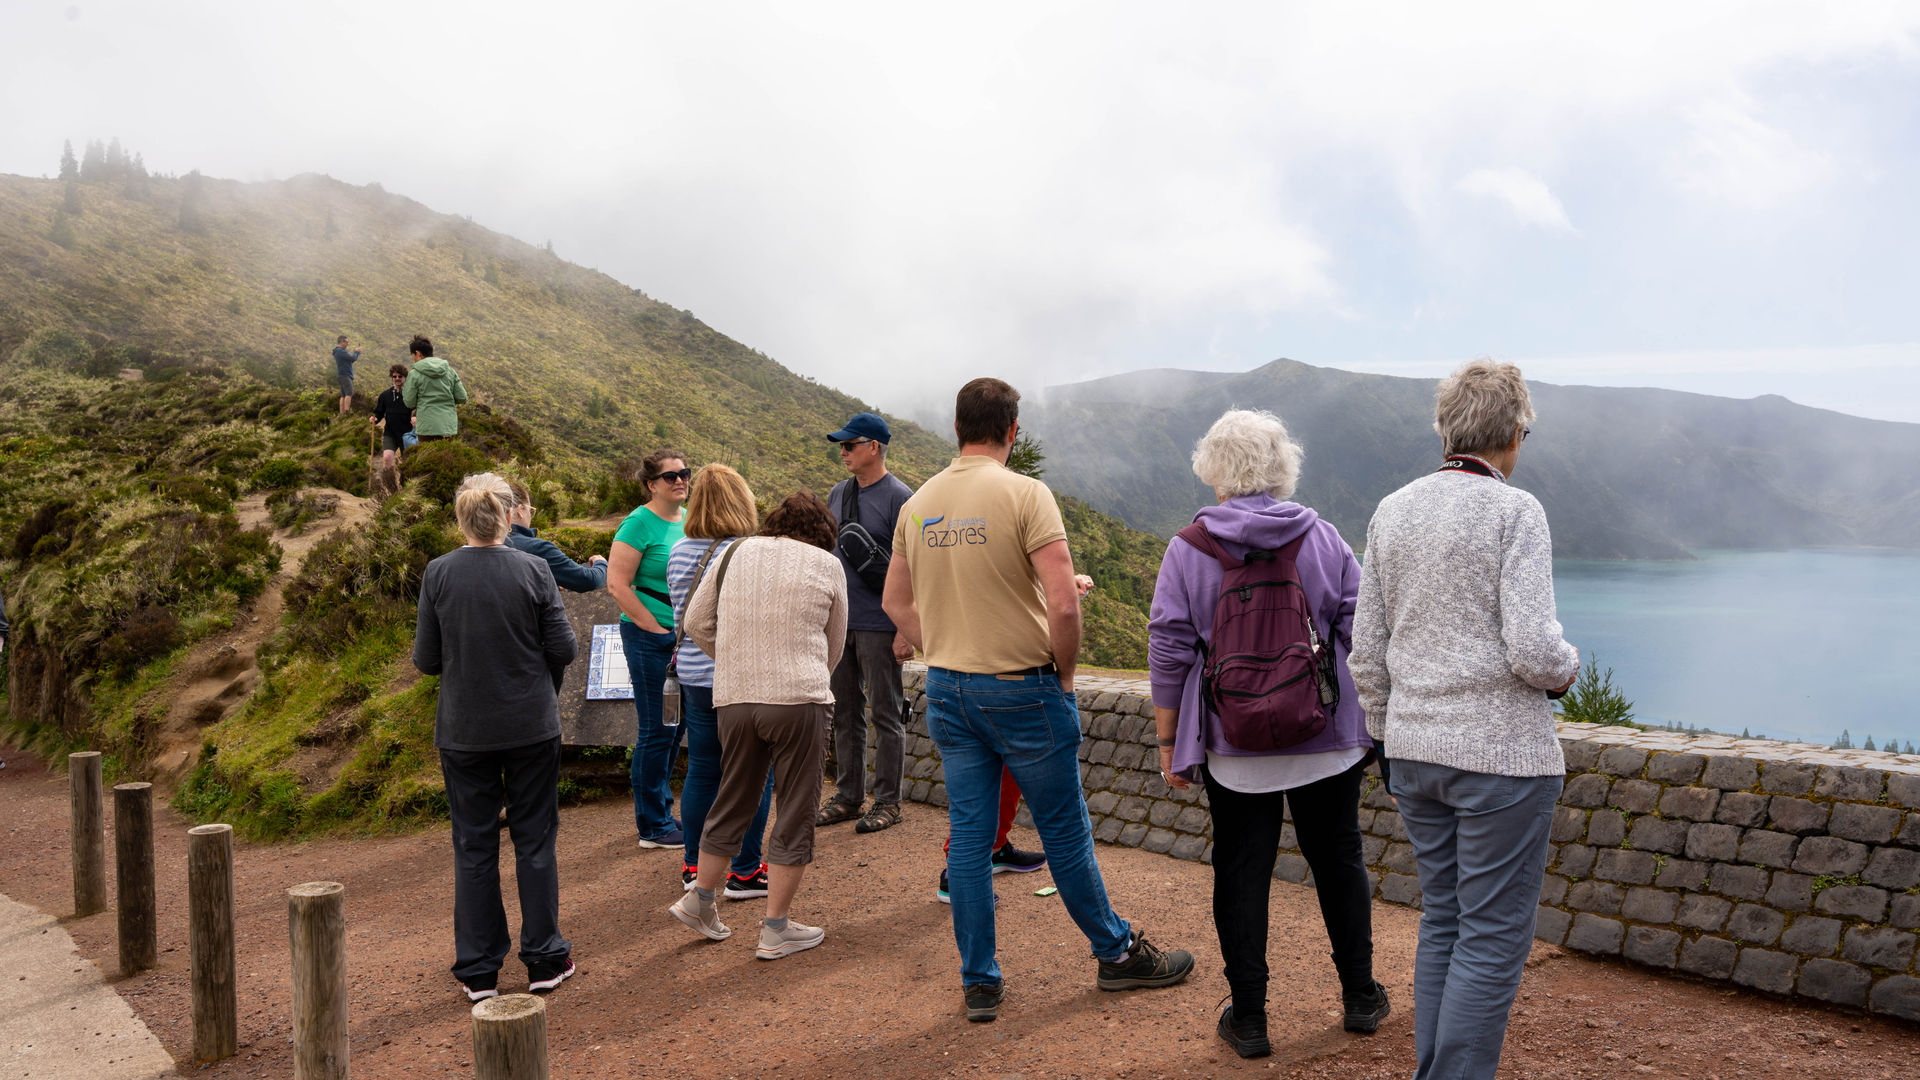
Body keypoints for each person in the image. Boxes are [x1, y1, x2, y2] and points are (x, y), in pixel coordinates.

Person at [883, 377, 1194, 1023]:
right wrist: (1067, 677)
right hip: (1024, 687)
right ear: (1012, 430)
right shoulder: (1026, 494)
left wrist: (938, 647)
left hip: (949, 689)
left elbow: (894, 602)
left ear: (958, 427)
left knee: (969, 837)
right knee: (1064, 831)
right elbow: (1062, 601)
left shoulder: (920, 503)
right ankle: (1117, 955)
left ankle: (980, 980)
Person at [1349, 360, 1579, 1080]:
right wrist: (1570, 667)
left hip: (1414, 757)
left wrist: (1388, 735)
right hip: (1501, 761)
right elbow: (1536, 652)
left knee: (1444, 922)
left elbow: (1367, 652)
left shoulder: (1393, 509)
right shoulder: (1517, 512)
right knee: (1491, 938)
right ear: (1514, 434)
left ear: (1446, 430)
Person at [1147, 408, 1390, 1059]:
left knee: (1242, 869)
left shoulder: (1189, 549)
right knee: (1339, 860)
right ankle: (1361, 996)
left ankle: (1250, 1019)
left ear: (1214, 469)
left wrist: (1170, 744)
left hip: (1235, 744)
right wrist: (1375, 722)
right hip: (1328, 737)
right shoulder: (1321, 537)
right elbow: (1360, 633)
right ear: (1282, 466)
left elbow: (1170, 649)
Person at [413, 472, 578, 1001]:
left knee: (474, 846)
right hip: (531, 723)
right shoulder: (533, 569)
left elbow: (426, 660)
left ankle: (479, 971)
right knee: (535, 841)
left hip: (464, 730)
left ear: (460, 519)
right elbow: (565, 648)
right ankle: (545, 959)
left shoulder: (438, 573)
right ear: (510, 515)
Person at [672, 492, 847, 960]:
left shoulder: (733, 552)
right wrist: (805, 673)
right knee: (794, 810)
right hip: (798, 700)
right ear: (823, 532)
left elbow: (694, 621)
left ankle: (701, 900)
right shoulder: (826, 564)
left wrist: (733, 661)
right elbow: (835, 644)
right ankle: (776, 929)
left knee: (733, 799)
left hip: (733, 698)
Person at [665, 464, 776, 898]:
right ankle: (745, 871)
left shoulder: (678, 551)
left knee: (704, 771)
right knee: (754, 774)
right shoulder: (749, 551)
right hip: (738, 679)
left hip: (693, 676)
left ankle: (694, 866)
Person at [815, 412, 917, 834]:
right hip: (841, 623)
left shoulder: (902, 498)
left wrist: (904, 629)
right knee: (844, 712)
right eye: (841, 445)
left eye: (849, 445)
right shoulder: (838, 493)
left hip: (880, 623)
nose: (842, 452)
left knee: (887, 713)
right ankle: (849, 796)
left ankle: (888, 801)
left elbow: (917, 569)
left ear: (873, 447)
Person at [607, 449, 691, 848]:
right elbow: (617, 584)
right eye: (670, 476)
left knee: (674, 728)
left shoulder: (690, 520)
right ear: (651, 484)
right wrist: (654, 628)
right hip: (650, 640)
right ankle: (653, 826)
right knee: (656, 730)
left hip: (682, 643)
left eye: (684, 474)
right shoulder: (638, 524)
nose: (680, 481)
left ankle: (662, 812)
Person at [504, 480, 608, 594]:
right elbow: (588, 580)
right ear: (520, 510)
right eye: (531, 511)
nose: (530, 516)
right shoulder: (537, 548)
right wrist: (601, 563)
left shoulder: (485, 545)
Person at [402, 335, 467, 442]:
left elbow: (409, 402)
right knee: (448, 456)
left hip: (426, 427)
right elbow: (462, 397)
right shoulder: (450, 371)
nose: (413, 358)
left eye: (413, 355)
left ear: (418, 353)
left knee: (428, 456)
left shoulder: (414, 374)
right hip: (448, 426)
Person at [370, 364, 415, 488]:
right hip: (390, 433)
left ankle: (405, 486)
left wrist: (415, 416)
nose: (397, 378)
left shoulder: (410, 395)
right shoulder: (385, 395)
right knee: (387, 458)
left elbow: (417, 409)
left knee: (407, 462)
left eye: (400, 376)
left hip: (407, 434)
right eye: (394, 376)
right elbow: (379, 412)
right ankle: (390, 488)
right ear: (391, 378)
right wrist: (375, 419)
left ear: (405, 377)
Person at [332, 335, 359, 415]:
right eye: (346, 342)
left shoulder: (338, 351)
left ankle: (342, 413)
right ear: (342, 342)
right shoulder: (340, 351)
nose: (347, 344)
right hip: (345, 374)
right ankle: (346, 412)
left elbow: (350, 360)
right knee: (349, 393)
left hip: (341, 374)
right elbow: (353, 358)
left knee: (343, 395)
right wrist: (357, 352)